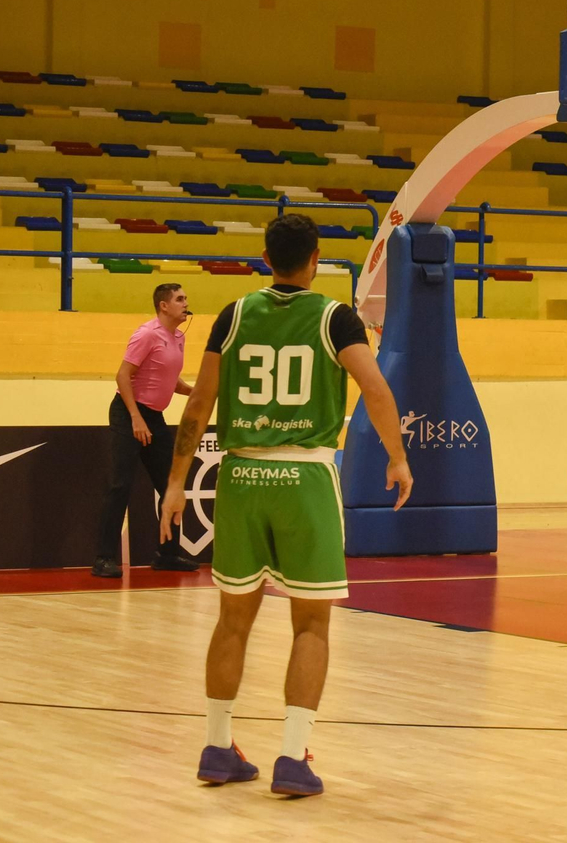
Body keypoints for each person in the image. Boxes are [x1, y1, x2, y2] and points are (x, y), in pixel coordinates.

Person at [160, 215, 413, 797]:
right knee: (311, 624)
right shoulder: (333, 316)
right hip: (304, 477)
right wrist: (397, 457)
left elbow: (199, 404)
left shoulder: (234, 314)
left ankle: (217, 747)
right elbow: (375, 387)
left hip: (243, 474)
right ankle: (293, 757)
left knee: (232, 619)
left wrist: (176, 483)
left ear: (265, 257)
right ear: (315, 258)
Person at [92, 283, 198, 578]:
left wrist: (196, 392)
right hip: (129, 414)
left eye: (185, 298)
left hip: (154, 417)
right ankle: (103, 559)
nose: (185, 303)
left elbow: (170, 380)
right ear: (163, 306)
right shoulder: (147, 333)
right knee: (120, 485)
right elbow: (123, 375)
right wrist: (136, 418)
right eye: (179, 299)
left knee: (170, 485)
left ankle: (167, 554)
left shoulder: (178, 337)